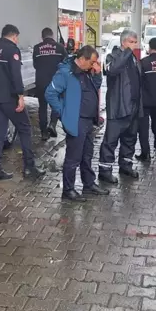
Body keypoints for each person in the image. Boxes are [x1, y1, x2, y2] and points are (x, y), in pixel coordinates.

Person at [45, 45, 109, 201]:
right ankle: (68, 190)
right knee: (73, 157)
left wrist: (97, 74)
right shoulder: (66, 73)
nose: (94, 65)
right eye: (92, 62)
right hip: (76, 121)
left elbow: (96, 87)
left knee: (87, 154)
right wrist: (63, 112)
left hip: (88, 121)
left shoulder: (86, 72)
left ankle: (89, 183)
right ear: (82, 59)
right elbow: (50, 93)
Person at [0, 24, 46, 182]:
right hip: (9, 99)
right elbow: (15, 74)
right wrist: (20, 95)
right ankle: (29, 167)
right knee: (25, 129)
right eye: (17, 37)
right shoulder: (12, 50)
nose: (17, 41)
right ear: (13, 36)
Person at [98, 29, 142, 183]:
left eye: (135, 42)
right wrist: (127, 52)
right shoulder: (113, 56)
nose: (134, 45)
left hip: (133, 106)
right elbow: (112, 70)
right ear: (123, 42)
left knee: (130, 138)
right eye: (131, 41)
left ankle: (126, 165)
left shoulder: (134, 59)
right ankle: (104, 170)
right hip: (118, 106)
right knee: (111, 140)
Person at [33, 27, 67, 141]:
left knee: (42, 107)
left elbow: (35, 65)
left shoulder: (37, 48)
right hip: (56, 82)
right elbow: (66, 64)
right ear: (52, 36)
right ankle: (52, 124)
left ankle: (44, 133)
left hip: (41, 82)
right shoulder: (60, 47)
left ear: (42, 37)